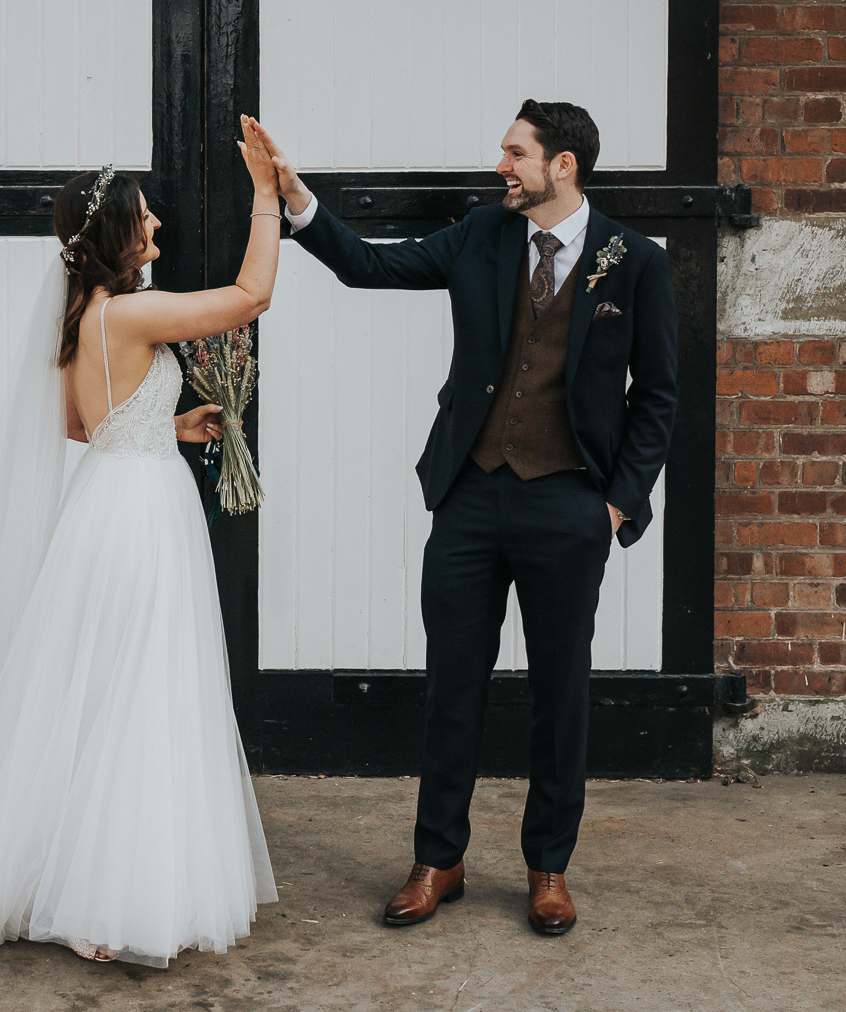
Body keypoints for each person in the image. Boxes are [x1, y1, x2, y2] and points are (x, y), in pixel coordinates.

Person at [0, 117, 282, 966]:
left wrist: (167, 425)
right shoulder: (129, 313)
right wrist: (267, 195)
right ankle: (107, 898)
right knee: (138, 690)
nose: (159, 226)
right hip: (142, 518)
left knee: (93, 692)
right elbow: (250, 298)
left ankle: (72, 871)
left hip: (108, 503)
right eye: (148, 217)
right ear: (121, 232)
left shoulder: (81, 315)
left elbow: (75, 420)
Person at [248, 102, 677, 937]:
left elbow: (657, 397)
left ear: (563, 167)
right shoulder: (483, 234)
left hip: (569, 501)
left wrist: (616, 504)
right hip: (472, 495)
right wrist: (295, 195)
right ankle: (438, 858)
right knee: (453, 685)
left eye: (516, 153)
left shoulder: (636, 262)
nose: (500, 165)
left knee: (561, 694)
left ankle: (548, 866)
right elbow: (369, 266)